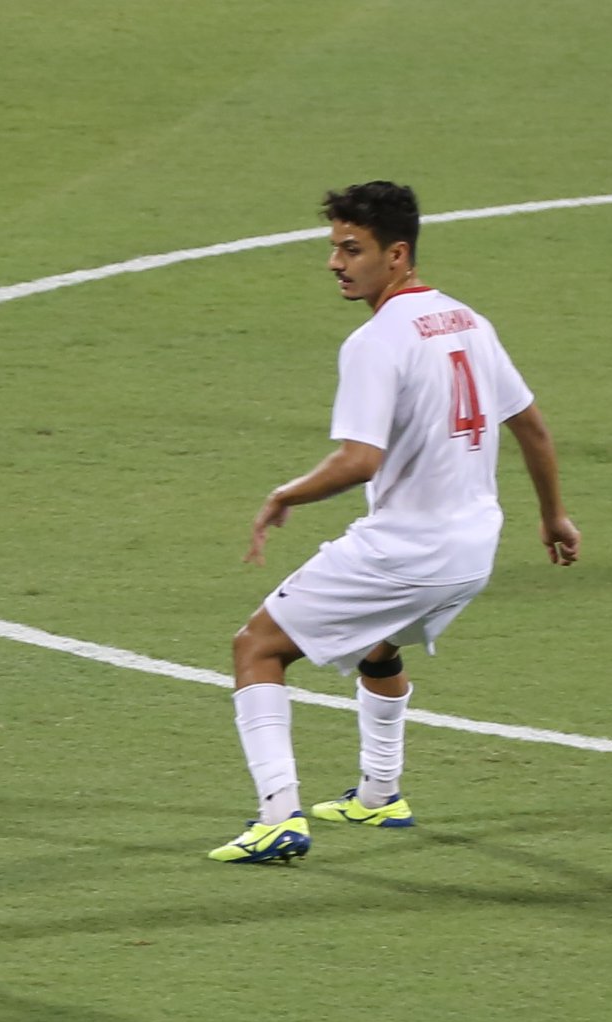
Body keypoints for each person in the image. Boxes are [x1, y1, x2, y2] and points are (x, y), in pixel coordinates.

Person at [209, 181, 579, 865]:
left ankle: (278, 816)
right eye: (334, 248)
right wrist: (553, 515)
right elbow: (530, 424)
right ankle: (380, 794)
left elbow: (359, 460)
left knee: (256, 646)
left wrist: (285, 494)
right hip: (473, 551)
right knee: (376, 646)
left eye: (352, 249)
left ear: (397, 254)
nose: (335, 262)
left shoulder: (375, 341)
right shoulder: (467, 320)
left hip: (407, 551)